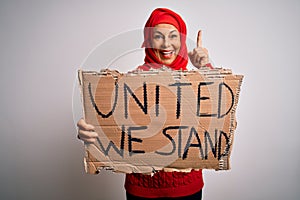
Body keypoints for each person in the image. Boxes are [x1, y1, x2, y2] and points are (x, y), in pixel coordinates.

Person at [77, 8, 212, 199]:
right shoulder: (129, 82)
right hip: (141, 190)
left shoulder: (196, 81)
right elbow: (106, 121)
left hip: (187, 188)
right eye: (158, 36)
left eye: (173, 36)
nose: (166, 44)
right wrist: (89, 131)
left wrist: (205, 67)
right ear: (148, 40)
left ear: (182, 41)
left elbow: (217, 113)